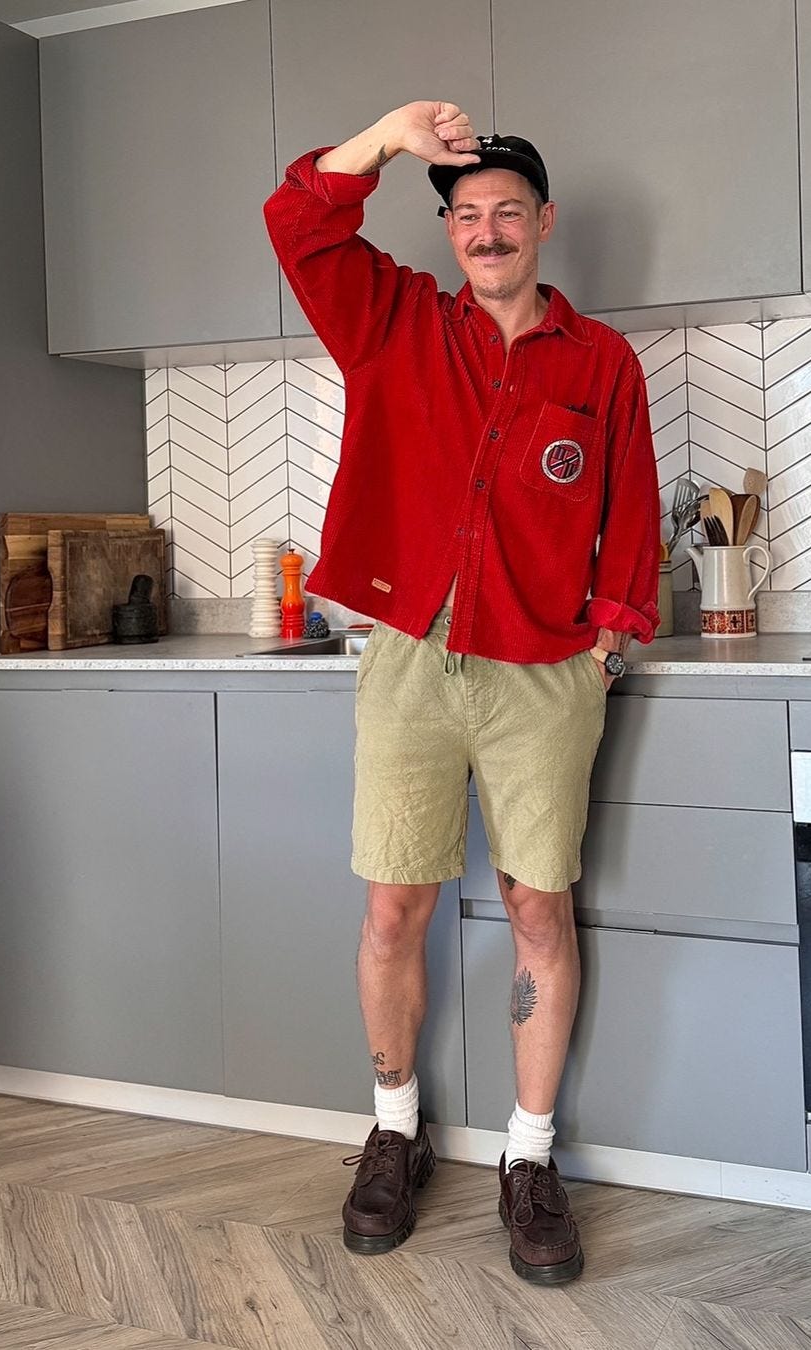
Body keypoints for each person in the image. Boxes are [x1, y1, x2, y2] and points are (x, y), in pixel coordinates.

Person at [263, 101, 660, 1286]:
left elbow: (631, 516)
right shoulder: (391, 323)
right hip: (408, 656)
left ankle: (528, 1159)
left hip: (545, 673)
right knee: (394, 910)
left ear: (545, 224)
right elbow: (298, 222)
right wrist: (385, 139)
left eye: (507, 213)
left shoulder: (602, 364)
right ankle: (395, 1129)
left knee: (541, 914)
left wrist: (612, 638)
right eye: (467, 215)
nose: (487, 232)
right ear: (448, 234)